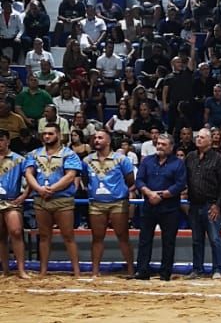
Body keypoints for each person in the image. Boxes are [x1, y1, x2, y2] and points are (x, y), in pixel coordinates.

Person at [24, 121, 83, 277]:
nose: (47, 136)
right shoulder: (34, 154)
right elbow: (29, 173)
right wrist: (39, 189)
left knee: (68, 236)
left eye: (50, 133)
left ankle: (77, 272)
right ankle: (43, 271)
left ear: (59, 135)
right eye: (44, 134)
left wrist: (52, 189)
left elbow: (71, 175)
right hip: (41, 199)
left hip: (62, 200)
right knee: (44, 236)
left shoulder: (69, 154)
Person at [83, 125, 136, 277]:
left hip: (117, 202)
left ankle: (131, 271)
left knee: (123, 236)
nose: (96, 140)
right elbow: (86, 180)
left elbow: (130, 180)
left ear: (108, 141)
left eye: (100, 138)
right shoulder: (87, 160)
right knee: (97, 238)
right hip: (96, 203)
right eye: (95, 138)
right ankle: (95, 272)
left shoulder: (122, 160)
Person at [134, 133, 187, 282]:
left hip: (170, 207)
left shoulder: (178, 163)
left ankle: (165, 273)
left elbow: (180, 184)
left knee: (168, 241)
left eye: (163, 144)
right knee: (144, 239)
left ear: (171, 147)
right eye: (158, 144)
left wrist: (162, 196)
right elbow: (139, 181)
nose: (159, 147)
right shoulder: (147, 161)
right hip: (149, 205)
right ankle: (142, 270)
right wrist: (149, 194)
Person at [185, 127, 221, 279]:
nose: (199, 139)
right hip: (194, 204)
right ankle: (197, 269)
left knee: (215, 239)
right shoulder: (190, 157)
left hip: (211, 205)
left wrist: (218, 205)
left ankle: (218, 269)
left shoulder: (218, 159)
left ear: (210, 141)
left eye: (202, 137)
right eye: (198, 137)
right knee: (196, 240)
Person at [0, 129, 29, 278]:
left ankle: (21, 270)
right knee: (0, 236)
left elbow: (30, 179)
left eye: (1, 139)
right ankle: (5, 270)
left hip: (12, 200)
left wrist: (24, 195)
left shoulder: (19, 159)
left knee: (16, 232)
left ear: (8, 141)